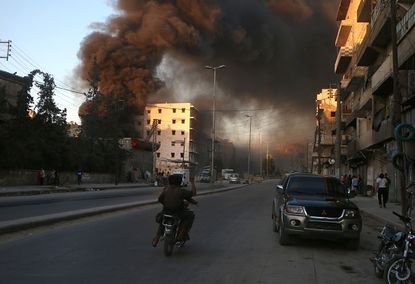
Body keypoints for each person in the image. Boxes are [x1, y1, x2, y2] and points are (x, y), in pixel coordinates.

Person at [152, 174, 198, 247]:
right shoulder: (181, 190)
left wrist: (166, 204)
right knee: (190, 215)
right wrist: (192, 182)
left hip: (166, 211)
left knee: (162, 219)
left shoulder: (166, 189)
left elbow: (160, 199)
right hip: (177, 213)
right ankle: (181, 234)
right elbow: (193, 193)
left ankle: (157, 238)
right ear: (179, 182)